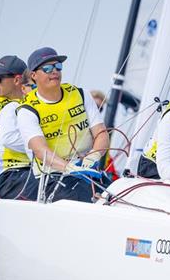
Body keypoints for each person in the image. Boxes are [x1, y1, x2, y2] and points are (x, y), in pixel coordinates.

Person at [15, 47, 108, 202]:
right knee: (91, 199)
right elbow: (40, 150)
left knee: (123, 195)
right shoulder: (27, 109)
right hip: (53, 178)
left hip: (88, 171)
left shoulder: (80, 94)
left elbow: (101, 133)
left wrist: (94, 156)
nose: (54, 71)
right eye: (47, 68)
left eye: (58, 66)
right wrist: (70, 168)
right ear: (33, 75)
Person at [0, 56, 38, 200]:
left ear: (17, 80)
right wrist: (45, 149)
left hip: (25, 171)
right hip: (8, 174)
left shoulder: (26, 103)